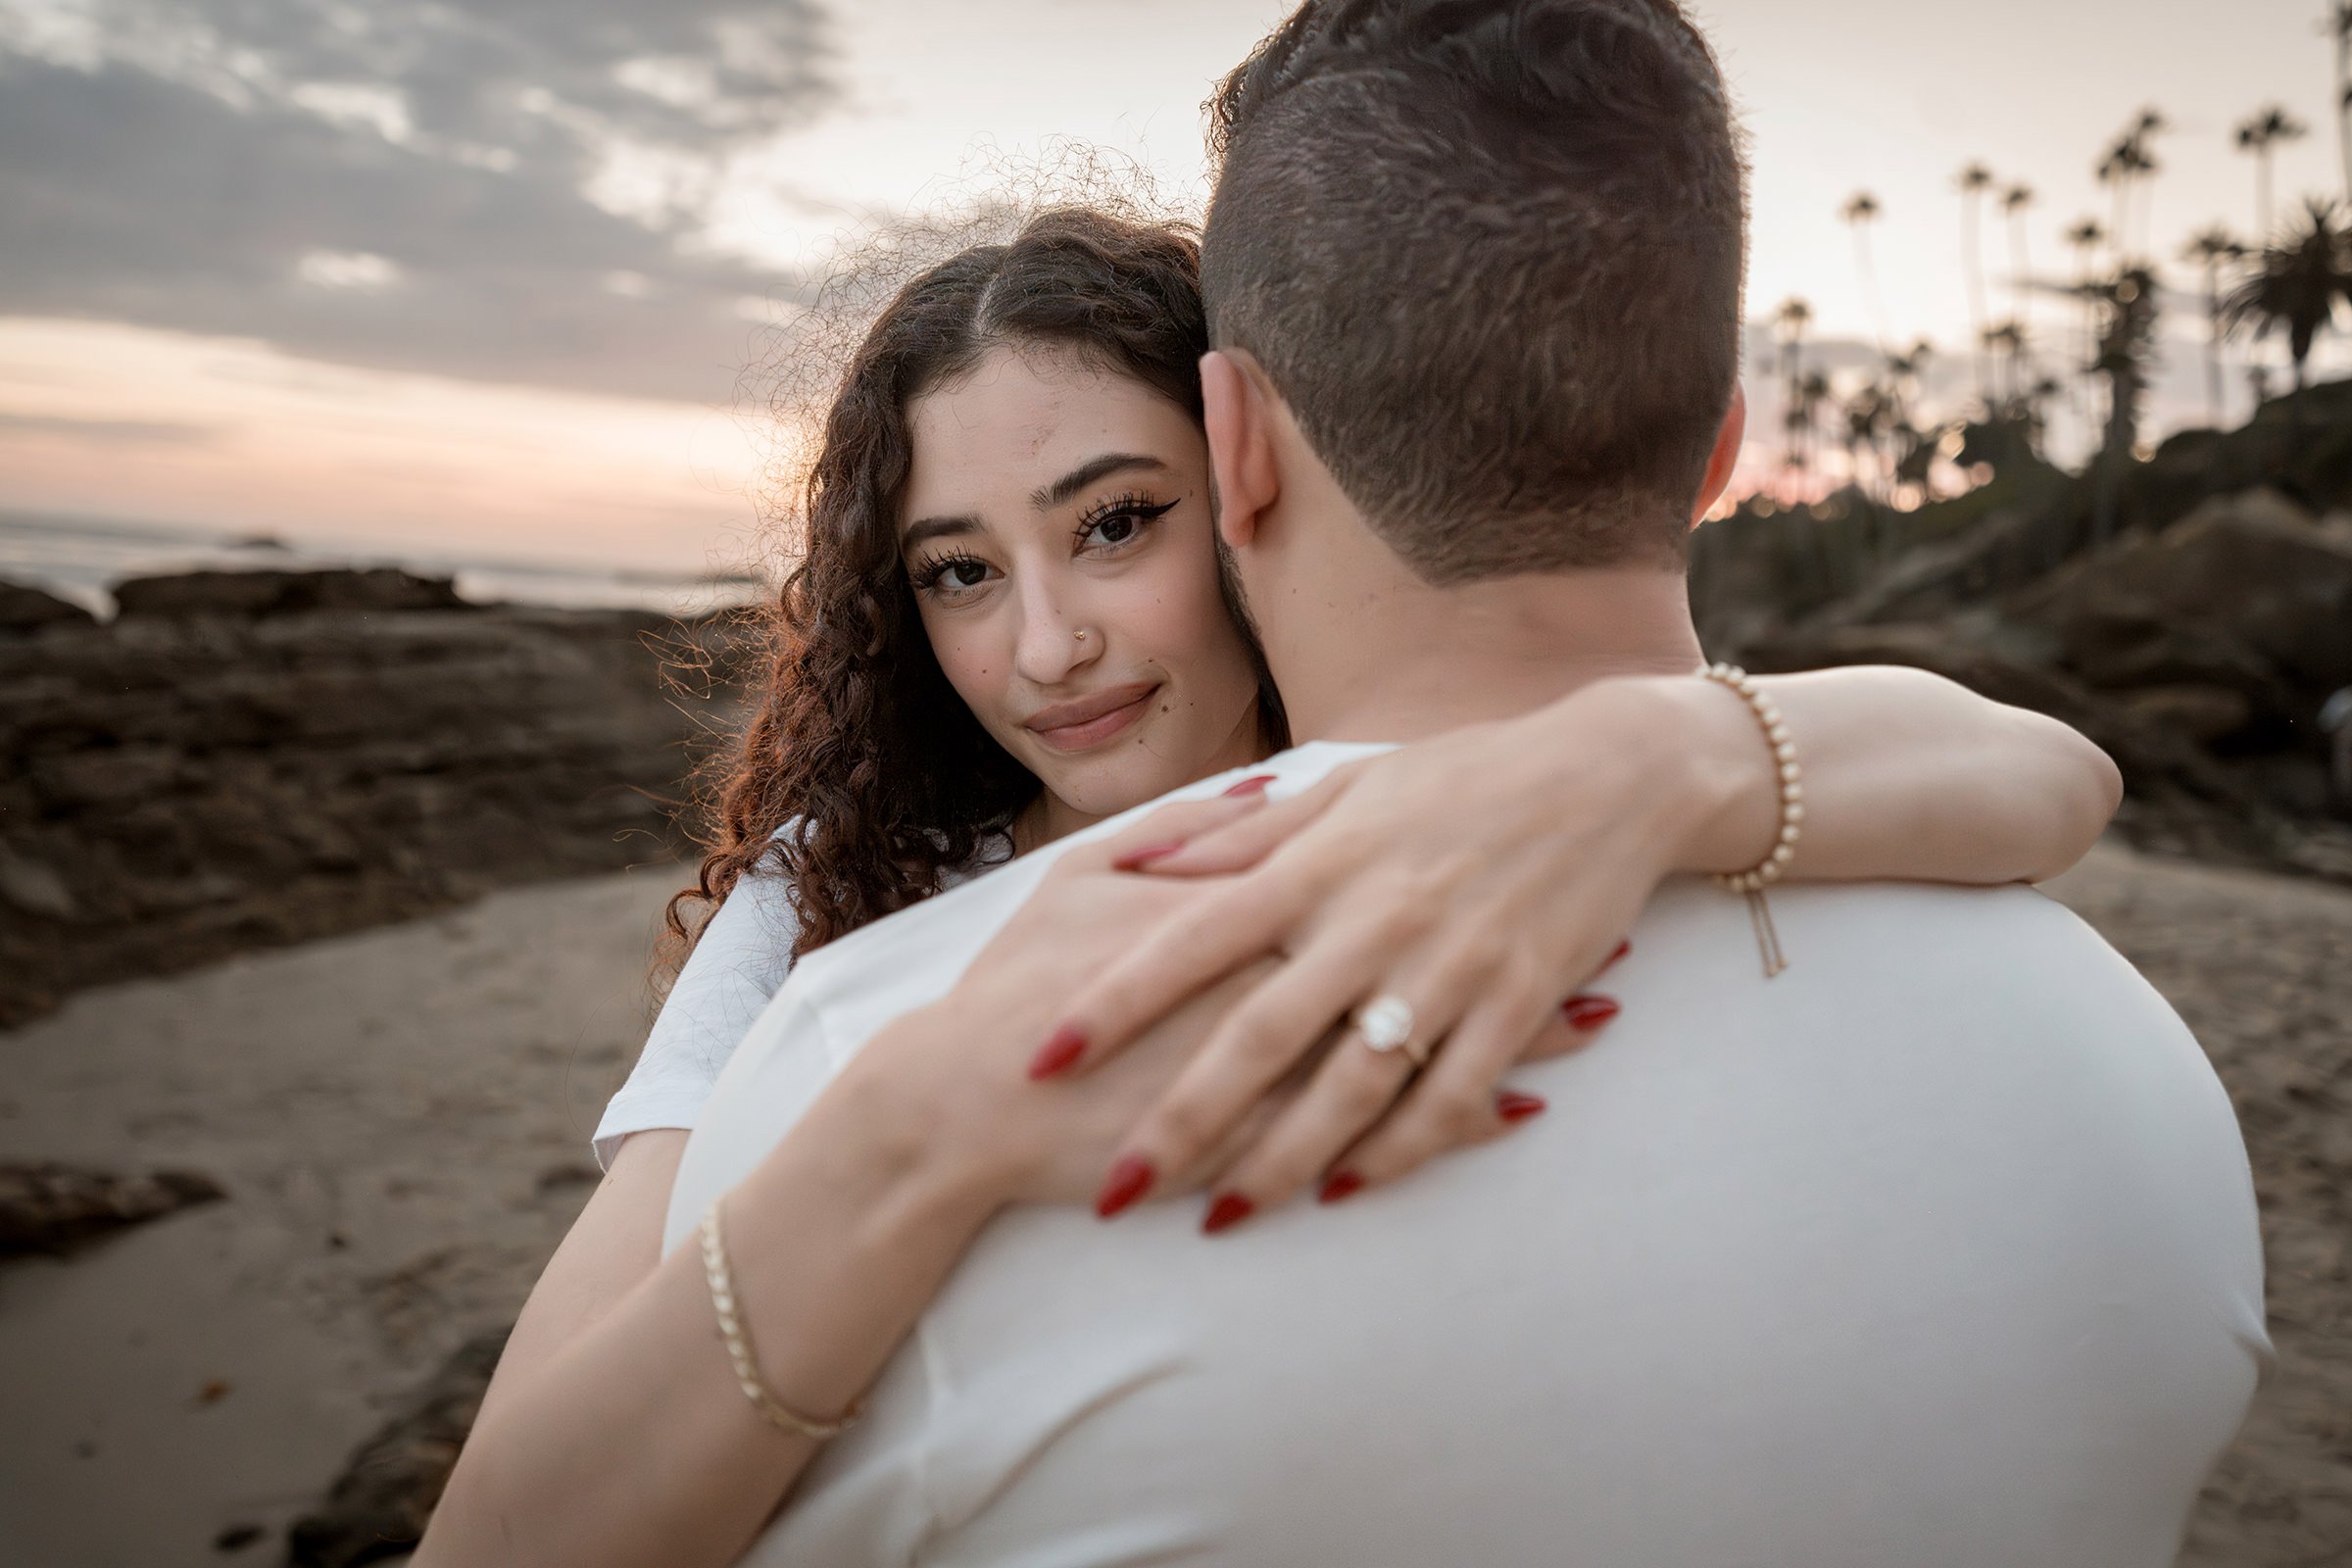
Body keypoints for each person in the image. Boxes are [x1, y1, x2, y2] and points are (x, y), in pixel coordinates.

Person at [417, 14, 2254, 1566]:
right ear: (1717, 456)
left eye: (1117, 525)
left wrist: (1661, 756)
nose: (1047, 645)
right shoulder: (2141, 1074)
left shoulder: (874, 1029)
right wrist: (914, 1119)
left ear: (1239, 466)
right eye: (957, 571)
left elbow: (2047, 770)